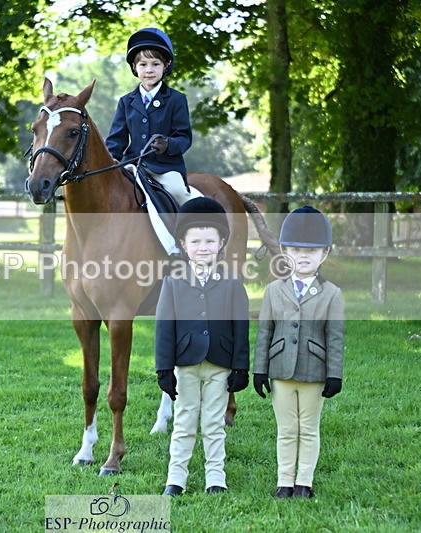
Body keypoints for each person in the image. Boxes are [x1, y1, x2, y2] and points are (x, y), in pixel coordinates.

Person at [154, 197, 250, 496]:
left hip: (220, 363)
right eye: (196, 241)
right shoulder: (172, 282)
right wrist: (163, 369)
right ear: (183, 244)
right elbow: (164, 328)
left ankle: (215, 477)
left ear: (222, 243)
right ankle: (176, 477)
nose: (203, 247)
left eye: (210, 241)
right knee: (184, 420)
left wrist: (241, 367)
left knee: (213, 422)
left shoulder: (233, 283)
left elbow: (241, 328)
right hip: (186, 364)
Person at [252, 206, 345, 499]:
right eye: (294, 249)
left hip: (313, 371)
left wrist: (334, 374)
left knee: (309, 428)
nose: (303, 256)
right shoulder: (273, 291)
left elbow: (335, 336)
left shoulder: (332, 294)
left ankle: (304, 481)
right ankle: (284, 481)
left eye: (312, 251)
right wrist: (259, 369)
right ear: (283, 251)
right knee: (286, 429)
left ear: (325, 254)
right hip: (280, 369)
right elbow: (264, 332)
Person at [106, 27, 193, 206]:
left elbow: (184, 138)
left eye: (155, 64)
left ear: (166, 65)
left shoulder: (176, 99)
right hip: (131, 166)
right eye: (143, 64)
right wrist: (111, 158)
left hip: (165, 168)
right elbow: (116, 139)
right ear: (134, 67)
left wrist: (169, 144)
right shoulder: (125, 102)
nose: (149, 70)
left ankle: (186, 231)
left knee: (179, 193)